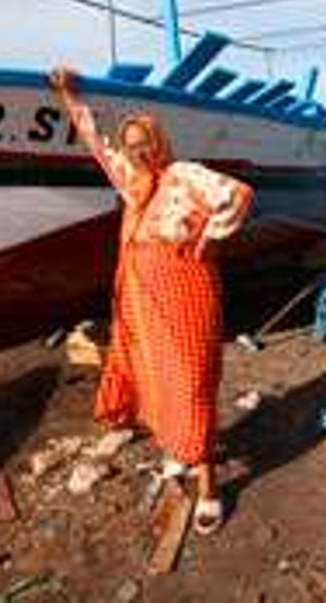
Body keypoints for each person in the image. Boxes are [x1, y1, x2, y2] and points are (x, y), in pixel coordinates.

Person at [51, 68, 253, 534]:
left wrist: (208, 240)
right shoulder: (131, 182)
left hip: (187, 296)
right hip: (144, 298)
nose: (137, 150)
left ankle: (209, 487)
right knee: (158, 379)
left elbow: (238, 195)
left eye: (144, 142)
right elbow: (95, 142)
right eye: (131, 144)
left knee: (191, 385)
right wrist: (67, 95)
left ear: (159, 142)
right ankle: (180, 453)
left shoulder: (182, 174)